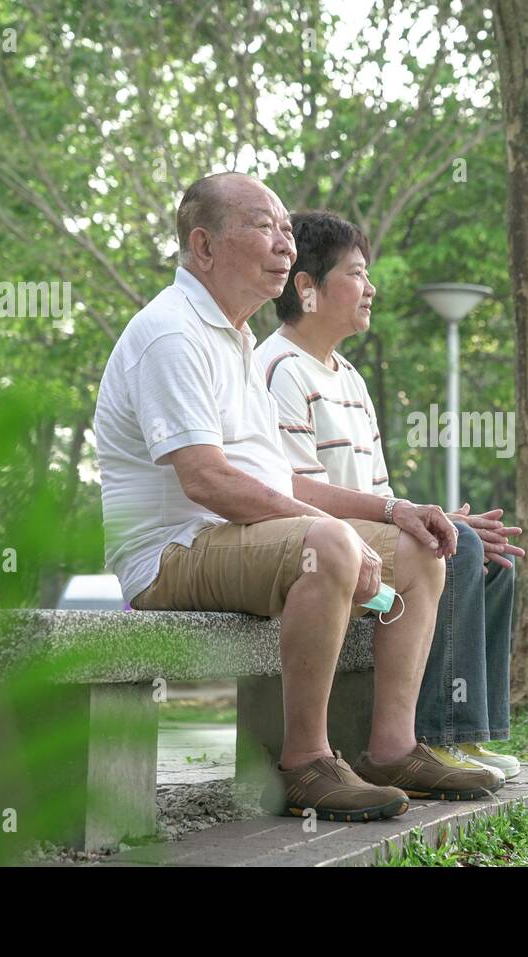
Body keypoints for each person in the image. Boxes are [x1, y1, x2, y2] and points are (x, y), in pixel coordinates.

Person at [93, 173, 501, 822]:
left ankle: (392, 747)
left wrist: (397, 512)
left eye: (287, 229)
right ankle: (305, 763)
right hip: (174, 552)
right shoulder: (172, 332)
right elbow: (207, 481)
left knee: (421, 551)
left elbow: (281, 483)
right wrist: (329, 531)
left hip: (242, 538)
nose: (285, 244)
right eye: (264, 226)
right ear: (203, 245)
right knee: (325, 544)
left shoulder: (239, 338)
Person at [255, 210, 525, 781]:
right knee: (454, 552)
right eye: (356, 274)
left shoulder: (348, 375)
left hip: (363, 539)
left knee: (485, 556)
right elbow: (296, 491)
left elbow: (377, 494)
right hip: (315, 552)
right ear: (307, 288)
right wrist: (405, 519)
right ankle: (431, 737)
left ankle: (469, 735)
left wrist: (439, 518)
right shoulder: (279, 368)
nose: (371, 288)